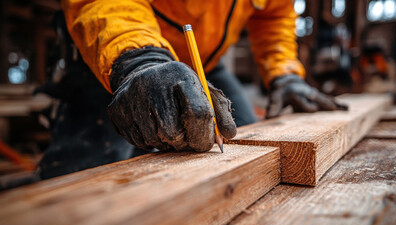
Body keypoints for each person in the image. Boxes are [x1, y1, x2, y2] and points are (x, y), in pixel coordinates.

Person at [37, 0, 345, 179]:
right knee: (90, 174)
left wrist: (284, 72)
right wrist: (139, 58)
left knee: (245, 136)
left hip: (203, 61)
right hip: (119, 50)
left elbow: (273, 12)